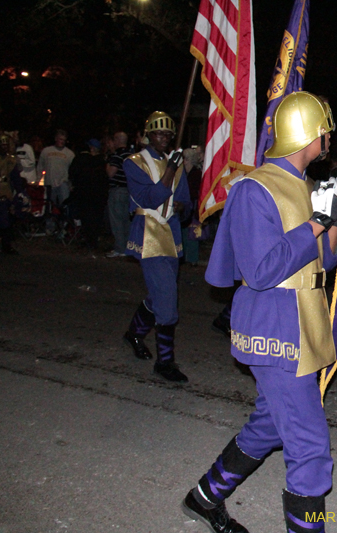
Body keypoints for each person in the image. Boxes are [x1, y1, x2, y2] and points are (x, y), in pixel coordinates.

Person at [182, 91, 337, 533]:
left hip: (305, 323)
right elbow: (260, 270)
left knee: (272, 426)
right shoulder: (255, 189)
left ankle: (204, 497)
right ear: (312, 133)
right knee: (310, 448)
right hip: (276, 328)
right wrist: (315, 223)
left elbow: (324, 264)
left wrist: (334, 222)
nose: (330, 136)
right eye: (325, 128)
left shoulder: (306, 186)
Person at [121, 111, 192, 382]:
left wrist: (183, 207)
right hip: (149, 235)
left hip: (171, 235)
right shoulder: (134, 162)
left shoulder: (176, 162)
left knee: (160, 293)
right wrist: (171, 170)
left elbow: (184, 200)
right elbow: (149, 198)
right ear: (148, 135)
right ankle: (165, 362)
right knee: (167, 299)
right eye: (158, 133)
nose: (163, 138)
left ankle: (134, 334)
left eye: (167, 134)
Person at [68, 139, 108, 250]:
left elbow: (73, 174)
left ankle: (89, 241)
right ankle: (93, 241)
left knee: (87, 218)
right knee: (95, 218)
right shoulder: (102, 161)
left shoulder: (83, 160)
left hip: (86, 194)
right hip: (97, 195)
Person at [106, 131, 132, 258]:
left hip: (117, 190)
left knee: (116, 220)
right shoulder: (131, 154)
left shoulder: (117, 155)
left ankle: (119, 247)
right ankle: (127, 246)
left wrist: (108, 162)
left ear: (117, 140)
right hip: (129, 190)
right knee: (126, 220)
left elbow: (111, 173)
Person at [38, 129, 75, 210]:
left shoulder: (70, 154)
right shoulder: (46, 151)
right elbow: (40, 167)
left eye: (64, 140)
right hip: (49, 183)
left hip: (63, 184)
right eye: (60, 139)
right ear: (56, 139)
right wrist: (38, 181)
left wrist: (71, 184)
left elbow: (73, 170)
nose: (62, 142)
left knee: (65, 206)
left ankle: (64, 221)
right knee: (49, 206)